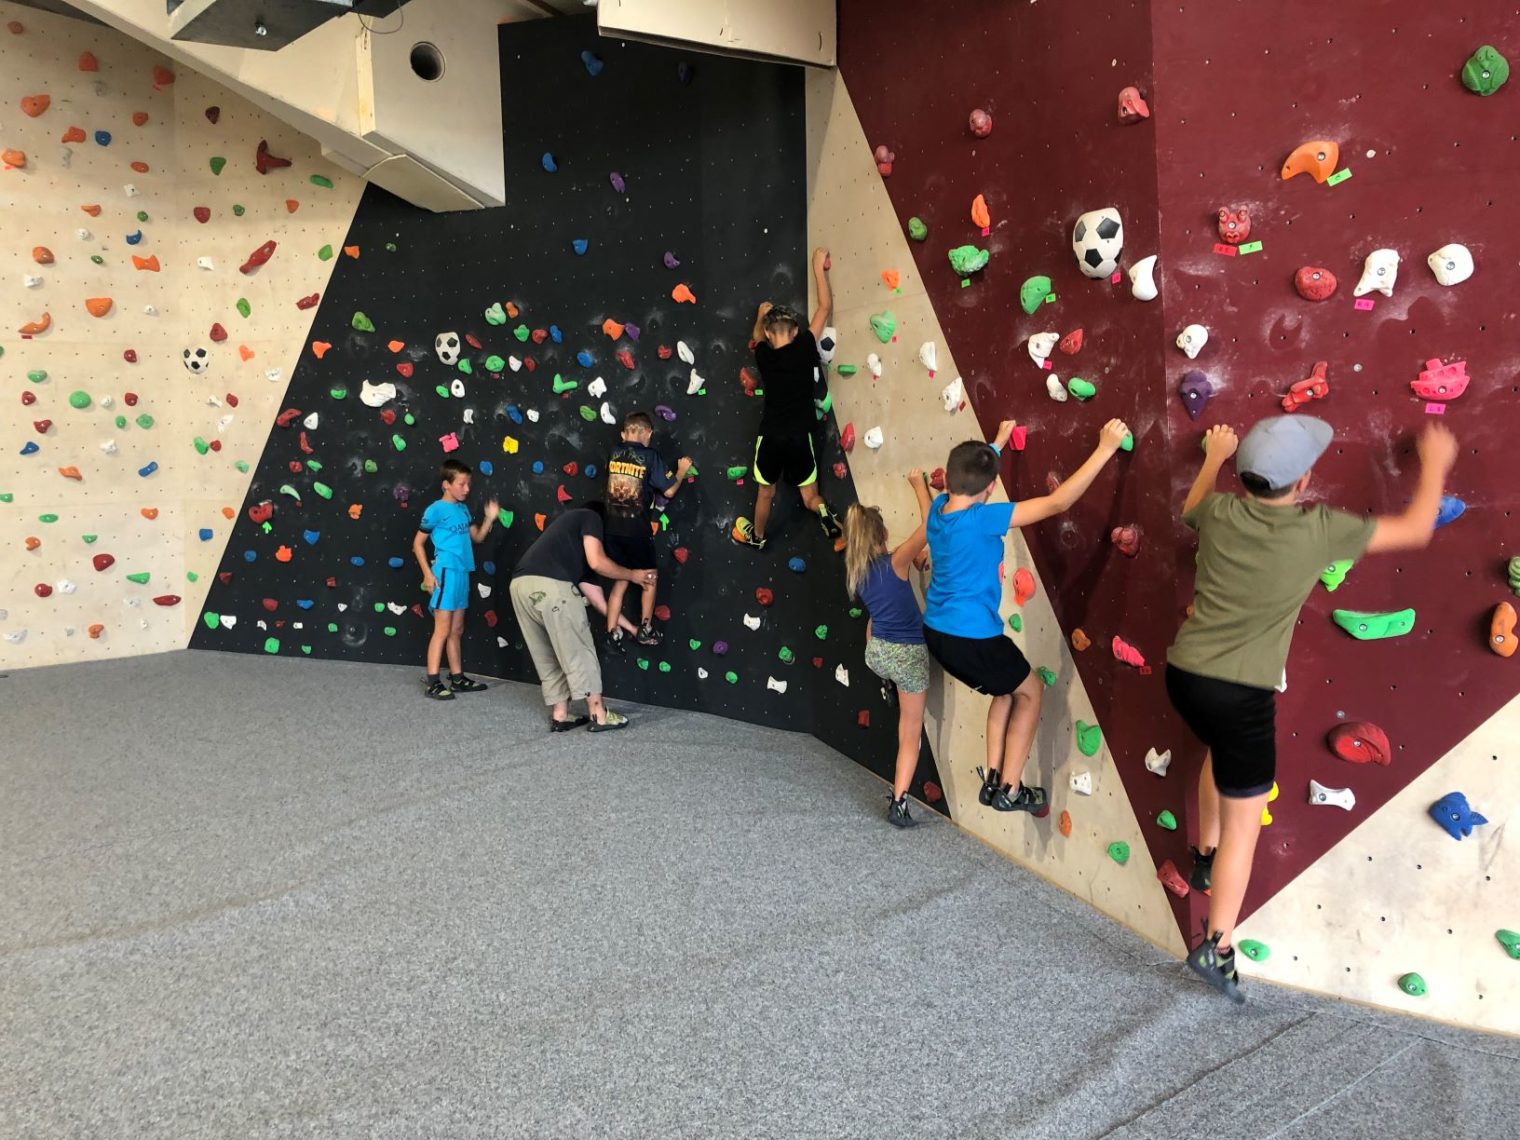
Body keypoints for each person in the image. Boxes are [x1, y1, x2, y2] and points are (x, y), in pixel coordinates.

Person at [1169, 417, 1457, 1002]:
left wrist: (1211, 456)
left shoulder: (1220, 512)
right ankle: (1217, 946)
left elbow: (1191, 507)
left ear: (1245, 476)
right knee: (1245, 829)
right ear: (1303, 481)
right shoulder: (1318, 531)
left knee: (1217, 755)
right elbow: (1416, 528)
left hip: (1186, 675)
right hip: (1241, 692)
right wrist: (1436, 462)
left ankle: (1202, 857)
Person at [925, 417, 1131, 813]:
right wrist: (1105, 448)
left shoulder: (938, 509)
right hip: (974, 639)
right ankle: (1012, 789)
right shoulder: (985, 518)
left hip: (939, 634)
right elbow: (1058, 503)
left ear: (948, 481)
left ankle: (992, 778)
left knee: (1005, 691)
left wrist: (996, 446)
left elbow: (971, 479)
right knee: (1031, 691)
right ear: (989, 489)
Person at [732, 246, 843, 551]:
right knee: (809, 495)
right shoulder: (806, 345)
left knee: (766, 493)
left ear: (769, 334)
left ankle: (757, 535)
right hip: (800, 434)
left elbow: (755, 338)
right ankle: (824, 513)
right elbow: (824, 306)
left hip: (772, 436)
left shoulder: (764, 356)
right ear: (795, 331)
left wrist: (760, 315)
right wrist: (817, 266)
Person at [509, 505, 655, 732]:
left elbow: (599, 602)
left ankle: (560, 715)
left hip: (520, 586)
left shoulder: (567, 546)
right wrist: (632, 575)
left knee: (546, 653)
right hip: (552, 586)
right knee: (579, 649)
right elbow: (597, 561)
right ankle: (599, 715)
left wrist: (633, 629)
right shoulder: (590, 516)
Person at [844, 469, 934, 828]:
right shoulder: (896, 562)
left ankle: (888, 681)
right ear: (883, 534)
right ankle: (899, 803)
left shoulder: (858, 570)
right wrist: (918, 486)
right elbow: (930, 524)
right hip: (908, 655)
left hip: (876, 654)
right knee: (909, 731)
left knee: (874, 621)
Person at [603, 411, 693, 651]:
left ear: (626, 432)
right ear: (647, 432)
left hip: (612, 529)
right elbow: (670, 491)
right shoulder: (649, 455)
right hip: (636, 530)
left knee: (621, 580)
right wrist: (681, 470)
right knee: (649, 580)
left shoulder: (614, 452)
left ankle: (612, 634)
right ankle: (645, 628)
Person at [412, 458, 499, 701]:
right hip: (446, 573)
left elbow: (477, 537)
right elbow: (417, 544)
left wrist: (490, 518)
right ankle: (432, 682)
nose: (467, 489)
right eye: (462, 484)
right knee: (442, 629)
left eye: (468, 484)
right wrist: (428, 575)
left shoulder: (463, 509)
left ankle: (457, 677)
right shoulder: (435, 510)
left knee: (456, 629)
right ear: (446, 485)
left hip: (462, 573)